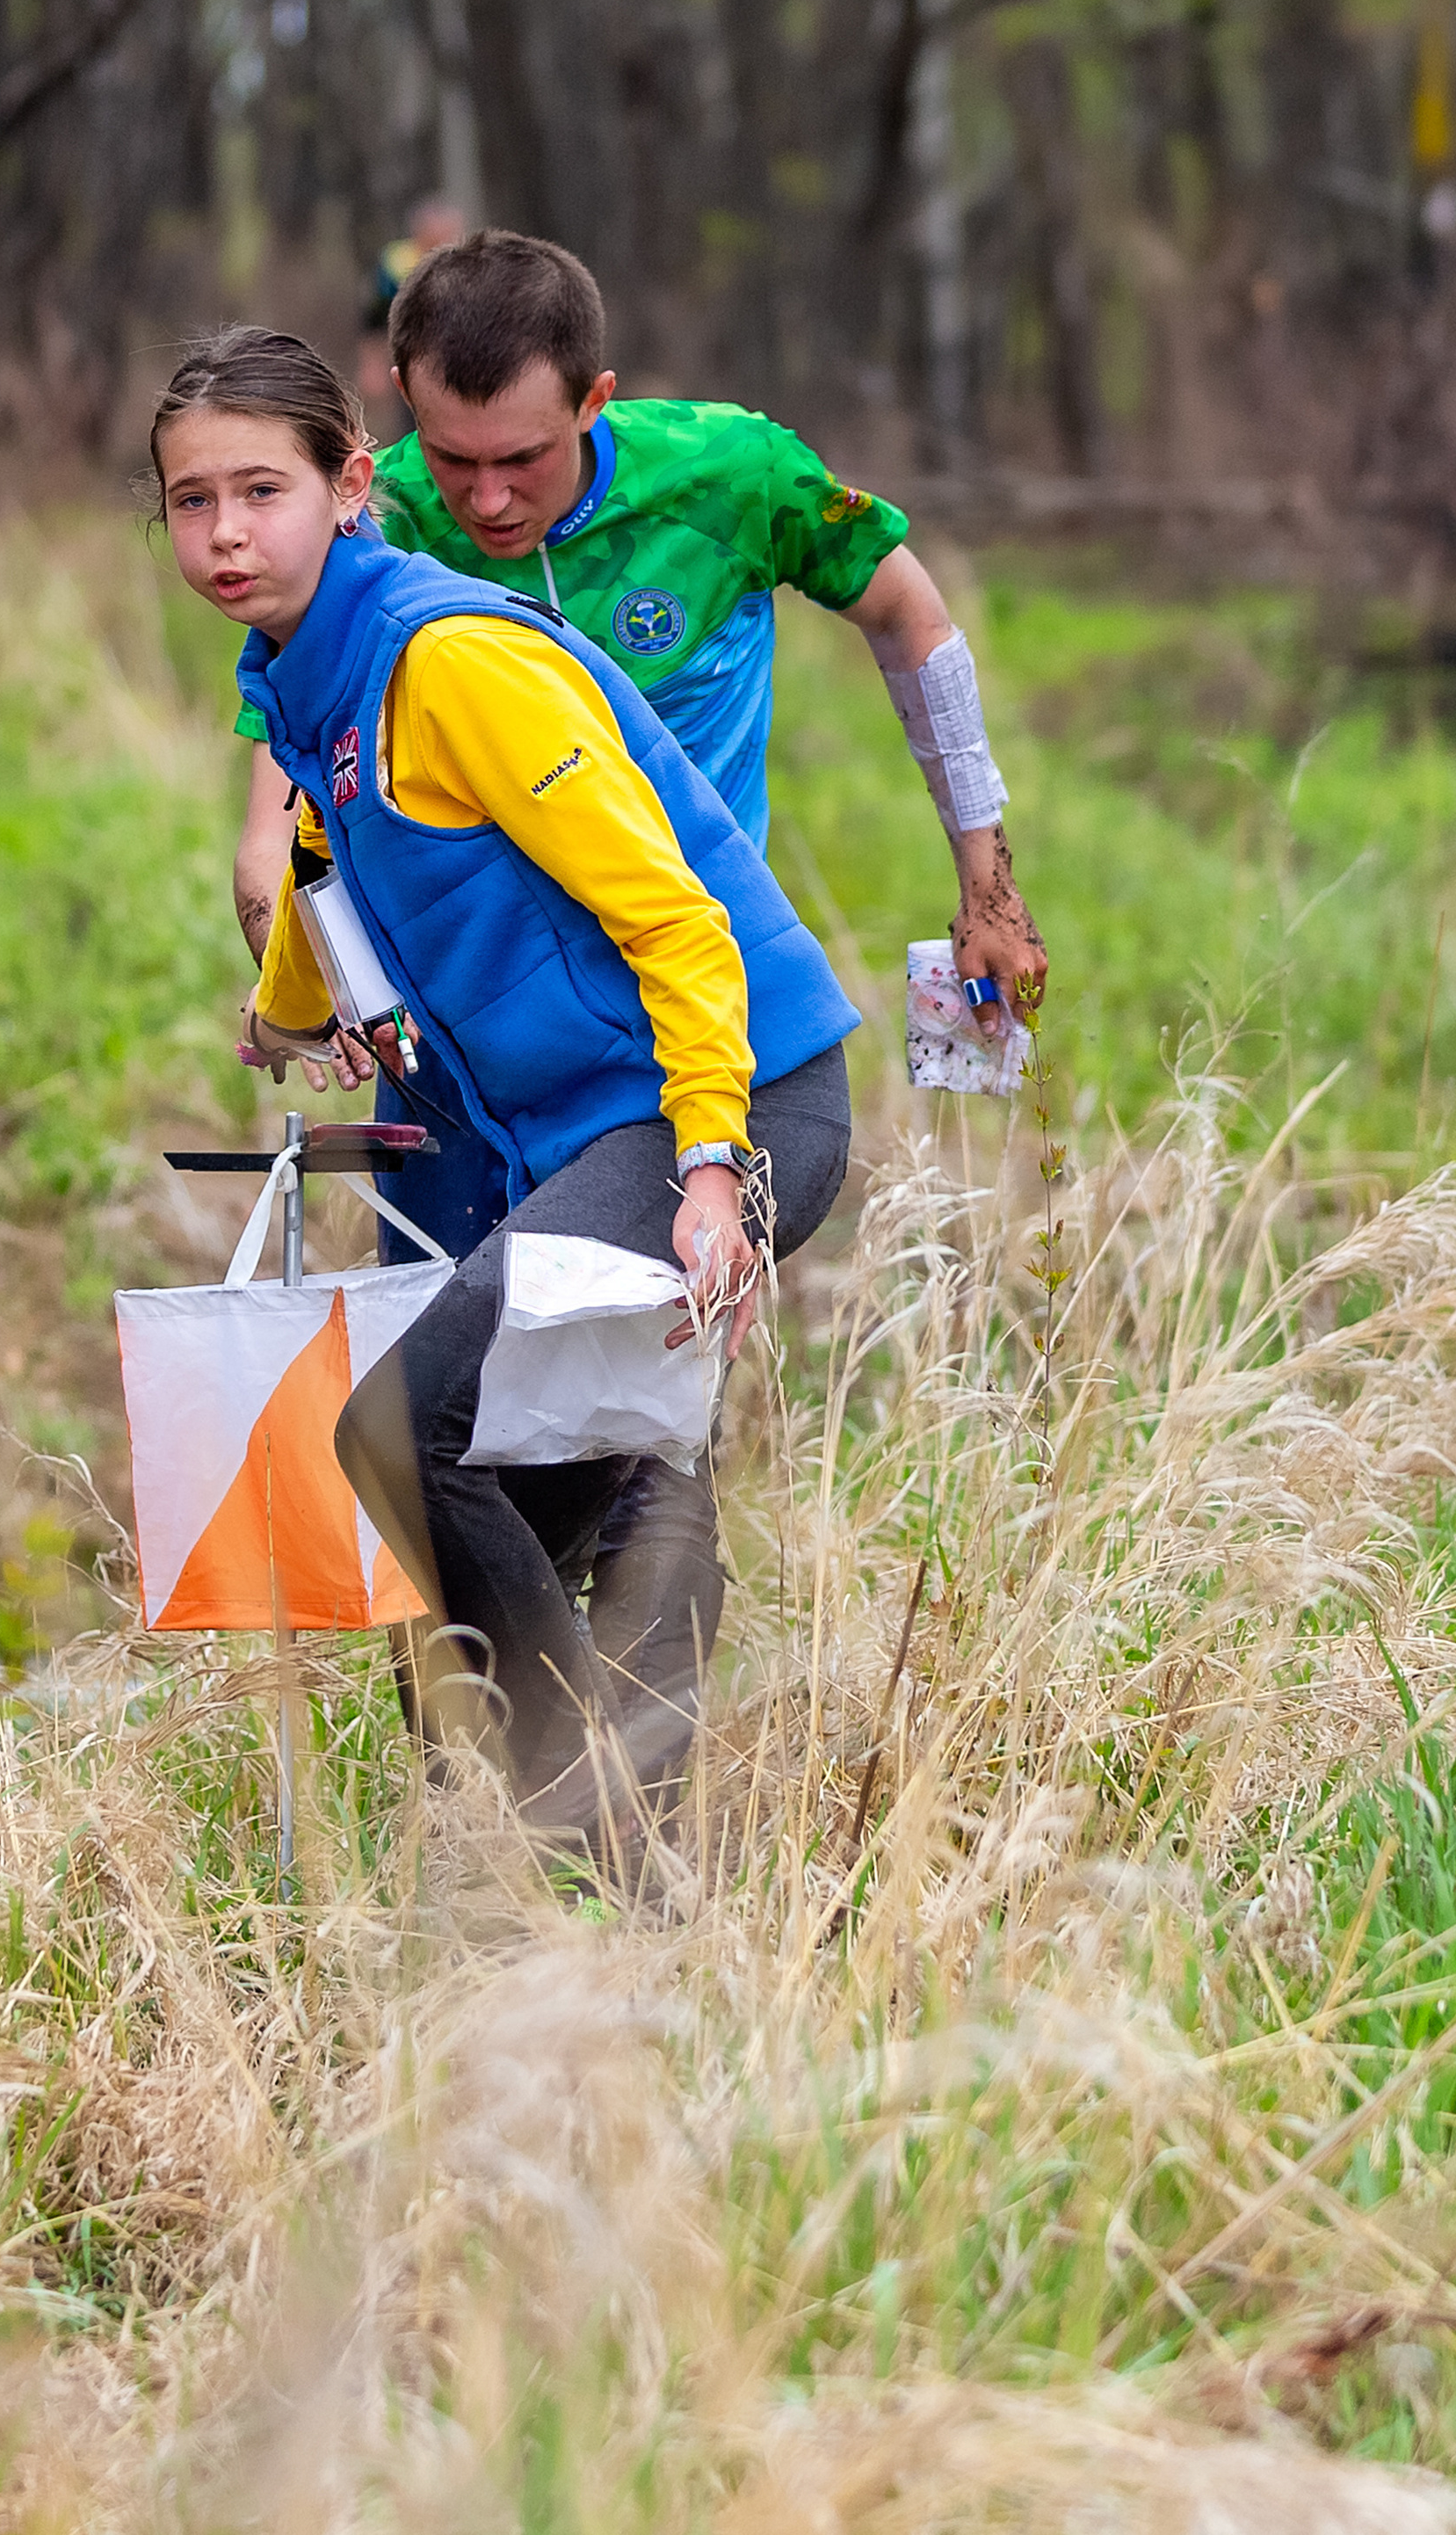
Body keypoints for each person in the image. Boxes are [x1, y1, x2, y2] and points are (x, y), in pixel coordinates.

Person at [228, 231, 1049, 1785]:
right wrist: (288, 926)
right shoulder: (366, 515)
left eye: (522, 458)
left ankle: (615, 1820)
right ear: (398, 418)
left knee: (619, 1424)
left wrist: (984, 872)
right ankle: (545, 1834)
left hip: (681, 1026)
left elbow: (912, 620)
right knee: (478, 1455)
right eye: (449, 460)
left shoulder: (723, 476)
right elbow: (308, 767)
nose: (482, 499)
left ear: (594, 402)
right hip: (483, 1061)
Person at [153, 325, 858, 1856]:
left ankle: (598, 1837)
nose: (222, 533)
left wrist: (718, 1169)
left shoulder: (448, 659)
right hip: (606, 1122)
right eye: (191, 500)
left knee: (405, 1432)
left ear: (351, 487)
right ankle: (605, 1889)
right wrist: (285, 1014)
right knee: (510, 1532)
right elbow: (338, 860)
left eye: (258, 491)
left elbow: (673, 916)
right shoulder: (307, 672)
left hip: (724, 1100)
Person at [354, 194, 467, 437]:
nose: (442, 243)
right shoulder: (396, 263)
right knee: (414, 419)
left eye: (448, 235)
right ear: (419, 234)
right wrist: (371, 365)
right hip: (411, 357)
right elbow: (373, 317)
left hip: (460, 358)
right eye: (434, 237)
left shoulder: (469, 262)